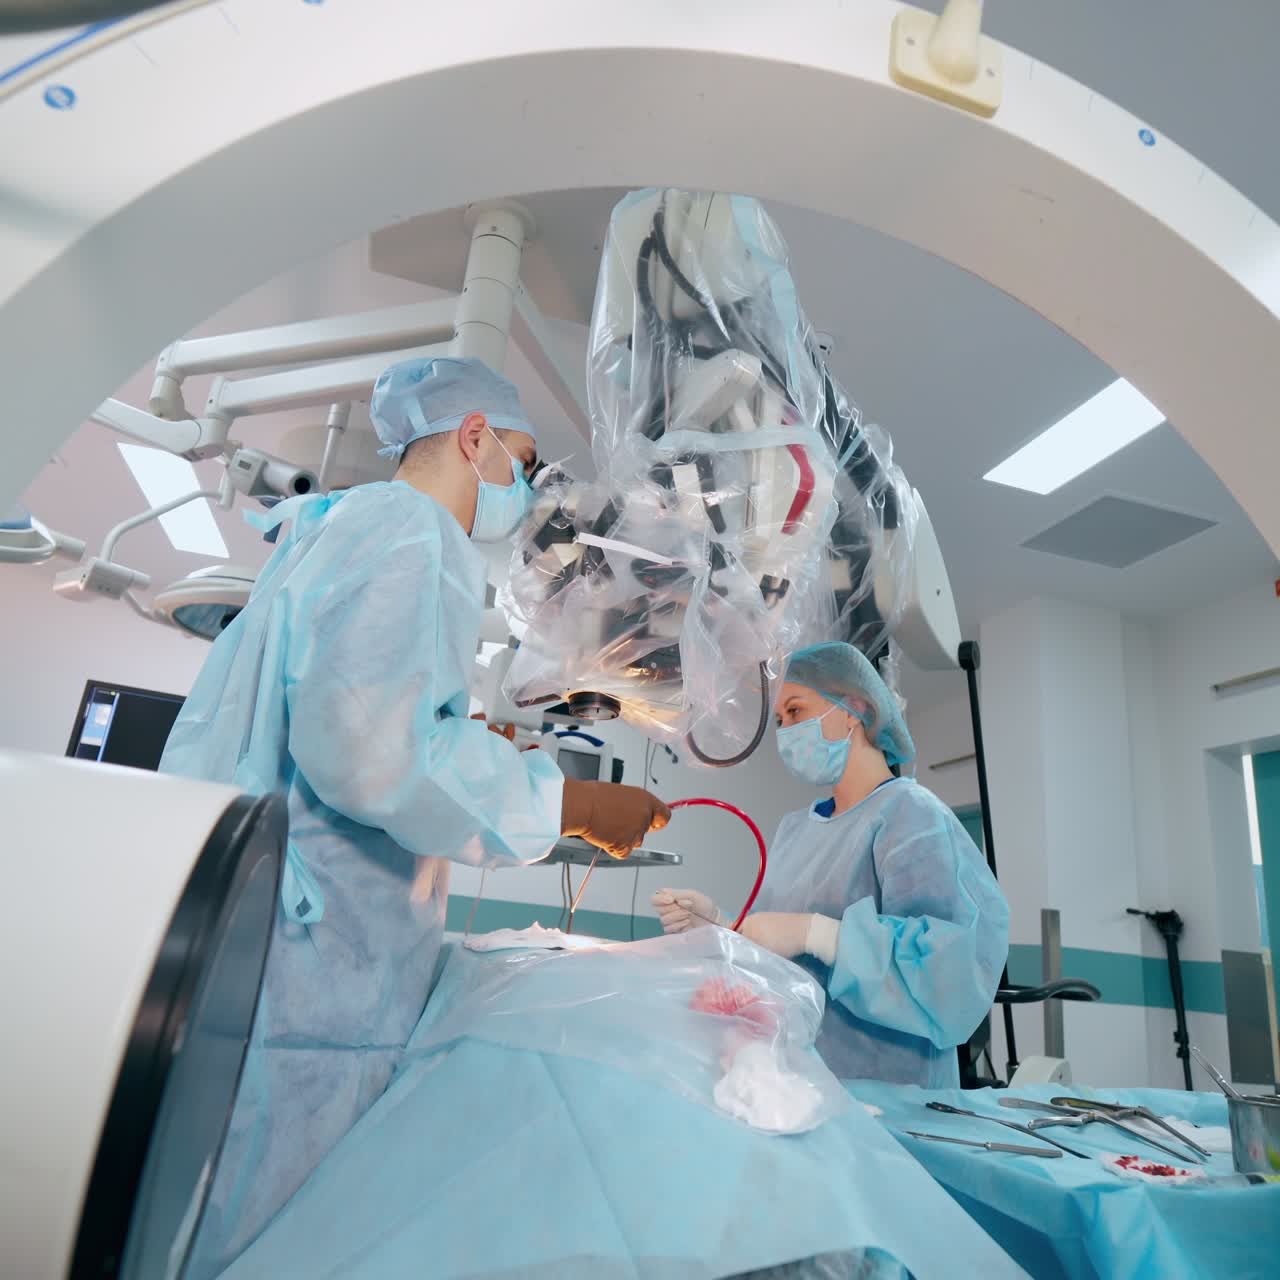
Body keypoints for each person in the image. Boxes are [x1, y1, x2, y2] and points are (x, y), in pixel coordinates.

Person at [162, 355, 670, 1274]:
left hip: (273, 935)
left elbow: (353, 723)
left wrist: (469, 744)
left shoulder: (331, 533)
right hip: (314, 964)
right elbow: (372, 755)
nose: (519, 483)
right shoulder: (406, 529)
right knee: (273, 1232)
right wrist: (571, 800)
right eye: (518, 454)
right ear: (473, 437)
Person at [653, 641, 1007, 1087]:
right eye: (780, 721)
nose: (785, 731)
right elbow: (785, 960)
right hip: (795, 1083)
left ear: (854, 708)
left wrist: (816, 932)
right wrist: (722, 927)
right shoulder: (796, 830)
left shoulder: (911, 816)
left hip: (890, 1095)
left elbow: (951, 972)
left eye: (796, 711)